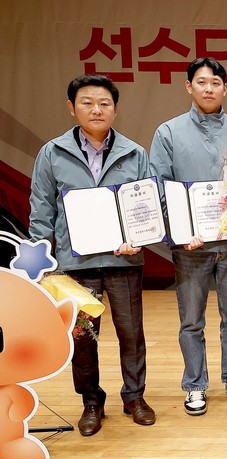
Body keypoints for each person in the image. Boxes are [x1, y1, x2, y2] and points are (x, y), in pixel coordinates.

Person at [29, 74, 155, 435]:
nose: (96, 109)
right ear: (72, 108)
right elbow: (41, 210)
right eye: (87, 102)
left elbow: (147, 205)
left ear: (115, 109)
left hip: (123, 261)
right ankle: (91, 401)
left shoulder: (134, 153)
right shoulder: (52, 153)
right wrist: (44, 263)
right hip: (75, 265)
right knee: (83, 337)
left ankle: (134, 397)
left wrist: (139, 239)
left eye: (104, 103)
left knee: (131, 333)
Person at [150, 57, 227, 415]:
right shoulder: (168, 133)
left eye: (215, 82)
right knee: (191, 321)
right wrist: (181, 232)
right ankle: (195, 384)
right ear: (189, 86)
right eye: (201, 82)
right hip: (191, 247)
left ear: (225, 89)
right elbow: (160, 188)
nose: (208, 88)